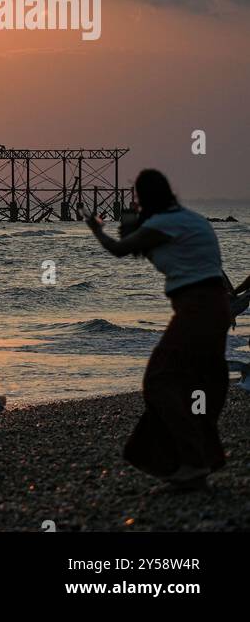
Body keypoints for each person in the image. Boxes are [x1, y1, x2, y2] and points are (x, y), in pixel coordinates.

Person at [85, 169, 231, 489]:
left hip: (197, 308)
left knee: (159, 381)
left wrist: (96, 229)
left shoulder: (162, 224)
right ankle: (197, 461)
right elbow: (161, 250)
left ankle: (192, 462)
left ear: (143, 197)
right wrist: (134, 226)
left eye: (137, 196)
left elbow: (119, 249)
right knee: (197, 383)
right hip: (217, 306)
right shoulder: (190, 219)